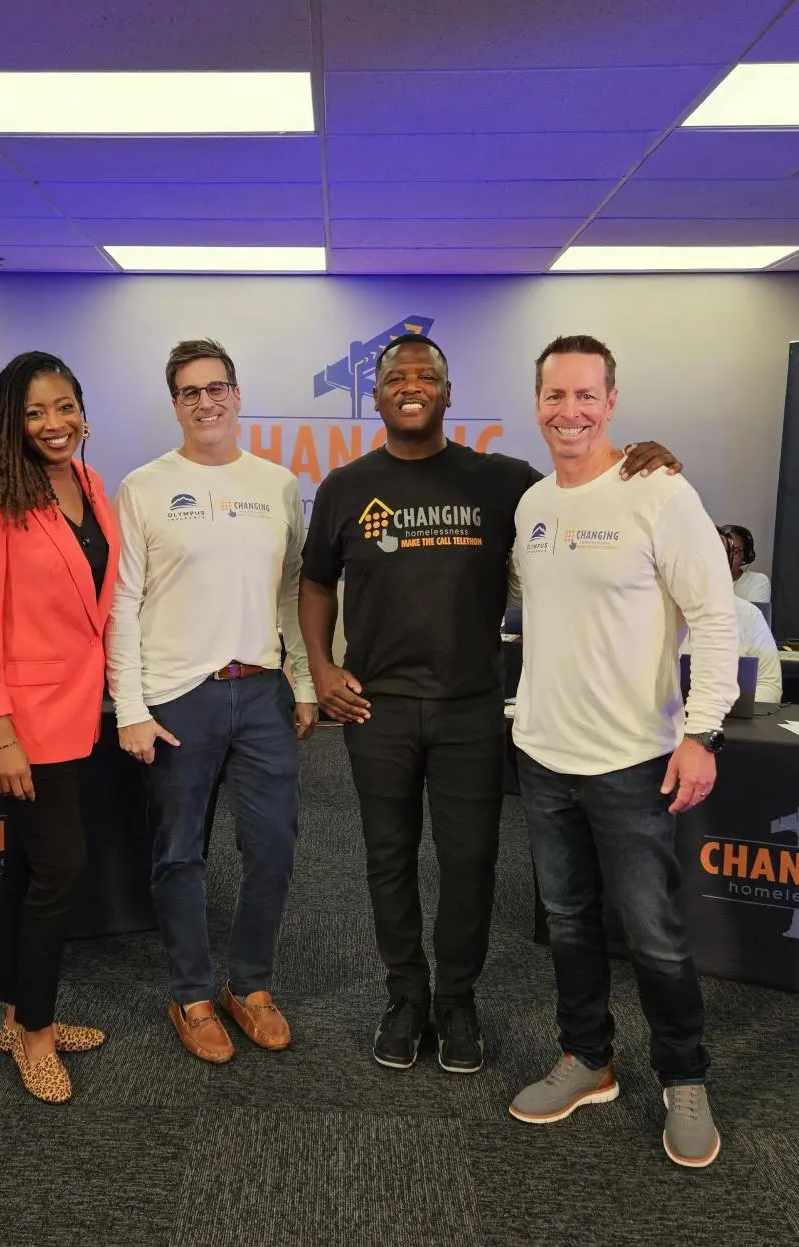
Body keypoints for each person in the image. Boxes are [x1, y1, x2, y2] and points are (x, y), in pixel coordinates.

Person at [297, 333, 679, 1076]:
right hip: (374, 709)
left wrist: (643, 461)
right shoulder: (345, 486)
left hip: (471, 708)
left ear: (447, 393)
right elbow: (315, 581)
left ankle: (456, 999)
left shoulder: (503, 481)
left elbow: (584, 488)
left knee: (470, 861)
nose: (411, 385)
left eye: (427, 375)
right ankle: (405, 995)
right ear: (373, 397)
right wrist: (318, 665)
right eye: (395, 377)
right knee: (386, 857)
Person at [506, 334, 737, 1170]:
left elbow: (714, 617)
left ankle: (684, 1077)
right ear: (536, 402)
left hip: (633, 760)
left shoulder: (658, 491)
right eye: (553, 395)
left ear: (610, 402)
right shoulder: (532, 504)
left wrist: (701, 730)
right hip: (541, 753)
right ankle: (587, 1058)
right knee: (567, 919)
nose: (568, 410)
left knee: (654, 933)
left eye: (584, 396)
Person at [109, 338, 317, 1065]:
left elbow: (290, 591)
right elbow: (123, 602)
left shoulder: (277, 484)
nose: (207, 400)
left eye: (217, 386)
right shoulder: (142, 486)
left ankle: (250, 987)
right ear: (175, 404)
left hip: (260, 687)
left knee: (273, 847)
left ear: (237, 393)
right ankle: (192, 993)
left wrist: (304, 681)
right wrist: (128, 706)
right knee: (178, 852)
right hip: (176, 695)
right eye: (191, 391)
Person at [0, 350, 119, 1104]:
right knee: (61, 870)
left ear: (82, 409)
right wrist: (0, 731)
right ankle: (39, 1036)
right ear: (9, 422)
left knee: (29, 868)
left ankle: (19, 1014)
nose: (53, 424)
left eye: (63, 406)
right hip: (25, 720)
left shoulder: (88, 483)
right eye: (34, 412)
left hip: (77, 710)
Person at [683, 595, 782, 704]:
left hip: (727, 716)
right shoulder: (662, 612)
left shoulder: (748, 614)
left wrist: (718, 709)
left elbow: (769, 687)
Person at [718, 524, 770, 604]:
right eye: (724, 549)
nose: (728, 556)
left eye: (735, 551)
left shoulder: (757, 581)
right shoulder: (701, 579)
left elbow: (749, 615)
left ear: (745, 555)